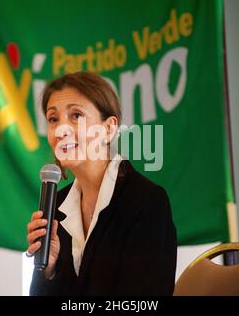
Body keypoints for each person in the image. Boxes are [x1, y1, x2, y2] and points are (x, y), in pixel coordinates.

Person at [26, 71, 177, 295]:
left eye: (76, 115)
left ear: (109, 128)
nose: (60, 130)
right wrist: (48, 271)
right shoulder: (56, 206)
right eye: (53, 119)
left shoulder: (147, 202)